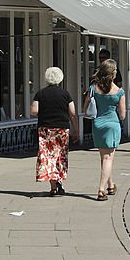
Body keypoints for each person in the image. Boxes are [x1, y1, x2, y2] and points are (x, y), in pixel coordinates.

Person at [30, 67, 78, 196]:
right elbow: (73, 113)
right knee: (60, 156)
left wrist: (45, 111)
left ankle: (53, 186)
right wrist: (76, 130)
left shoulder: (41, 93)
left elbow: (34, 111)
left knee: (48, 157)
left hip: (45, 129)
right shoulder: (65, 94)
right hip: (62, 129)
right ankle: (58, 181)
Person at [86, 59, 126, 201]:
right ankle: (101, 189)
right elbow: (122, 115)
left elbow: (86, 108)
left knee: (104, 157)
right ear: (114, 74)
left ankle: (111, 184)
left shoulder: (93, 88)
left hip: (98, 124)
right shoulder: (119, 92)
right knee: (109, 158)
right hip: (112, 124)